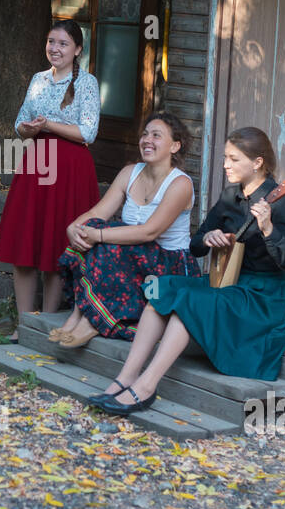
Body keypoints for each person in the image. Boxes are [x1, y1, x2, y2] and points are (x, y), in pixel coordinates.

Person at [87, 126, 285, 415]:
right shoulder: (231, 197)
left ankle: (146, 387)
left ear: (257, 163)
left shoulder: (282, 204)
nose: (226, 164)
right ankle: (124, 379)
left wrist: (267, 229)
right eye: (226, 157)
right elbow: (195, 244)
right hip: (230, 283)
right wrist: (208, 238)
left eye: (234, 159)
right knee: (164, 290)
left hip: (270, 295)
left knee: (190, 304)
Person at [51, 112, 199, 348]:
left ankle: (94, 321)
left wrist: (98, 235)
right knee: (92, 228)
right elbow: (96, 213)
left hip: (169, 263)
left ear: (175, 146)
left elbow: (149, 232)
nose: (147, 140)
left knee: (107, 242)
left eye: (156, 136)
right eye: (145, 134)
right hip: (135, 254)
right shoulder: (130, 172)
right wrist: (75, 227)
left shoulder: (180, 183)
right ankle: (79, 315)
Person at [0, 19, 100, 338]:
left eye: (63, 43)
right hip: (37, 162)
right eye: (51, 41)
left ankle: (47, 323)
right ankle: (24, 323)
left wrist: (49, 126)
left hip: (69, 168)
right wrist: (28, 128)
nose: (55, 48)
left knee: (56, 244)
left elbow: (88, 132)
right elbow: (20, 123)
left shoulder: (87, 83)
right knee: (25, 241)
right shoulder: (38, 80)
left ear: (77, 49)